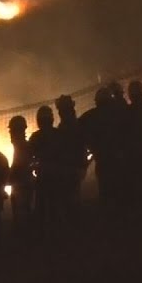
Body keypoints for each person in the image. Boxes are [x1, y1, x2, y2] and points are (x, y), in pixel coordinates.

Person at [28, 106, 64, 236]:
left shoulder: (36, 137)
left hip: (43, 177)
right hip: (59, 176)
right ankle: (59, 233)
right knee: (57, 206)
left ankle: (41, 235)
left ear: (39, 120)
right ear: (52, 119)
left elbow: (29, 157)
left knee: (41, 207)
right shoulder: (59, 134)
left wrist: (34, 168)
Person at [54, 95, 89, 224]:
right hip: (74, 166)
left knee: (69, 199)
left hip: (68, 167)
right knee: (73, 197)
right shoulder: (76, 124)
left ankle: (73, 224)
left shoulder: (66, 127)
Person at [6, 115, 35, 238]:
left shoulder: (21, 146)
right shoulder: (22, 145)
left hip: (21, 184)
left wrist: (7, 178)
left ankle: (24, 238)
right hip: (23, 182)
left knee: (21, 213)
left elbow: (19, 165)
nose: (10, 133)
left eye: (12, 130)